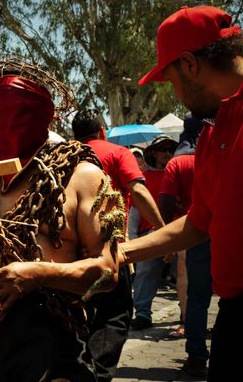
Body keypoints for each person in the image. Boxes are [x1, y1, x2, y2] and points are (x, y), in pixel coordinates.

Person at [0, 59, 125, 381]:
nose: (8, 122)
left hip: (47, 337)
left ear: (45, 113)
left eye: (20, 110)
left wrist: (39, 274)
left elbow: (110, 273)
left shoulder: (82, 176)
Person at [120, 5, 243, 381]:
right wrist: (119, 254)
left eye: (171, 80)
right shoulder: (212, 133)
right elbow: (199, 222)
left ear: (190, 64)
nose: (176, 94)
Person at [71, 109, 165, 381]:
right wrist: (163, 230)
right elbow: (137, 190)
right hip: (109, 250)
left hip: (69, 252)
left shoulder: (66, 156)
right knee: (115, 314)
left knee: (80, 312)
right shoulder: (117, 152)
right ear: (102, 130)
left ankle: (78, 367)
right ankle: (98, 375)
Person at [158, 115, 211, 377]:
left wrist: (165, 238)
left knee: (196, 296)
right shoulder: (219, 156)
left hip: (192, 233)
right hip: (226, 229)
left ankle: (197, 356)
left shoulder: (177, 162)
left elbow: (166, 202)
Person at [130, 135, 177, 330]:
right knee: (145, 272)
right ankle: (142, 313)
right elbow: (134, 211)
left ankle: (187, 314)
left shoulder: (177, 173)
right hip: (149, 233)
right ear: (153, 153)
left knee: (183, 274)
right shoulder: (144, 178)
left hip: (178, 231)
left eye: (170, 149)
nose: (167, 153)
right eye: (162, 149)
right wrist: (131, 240)